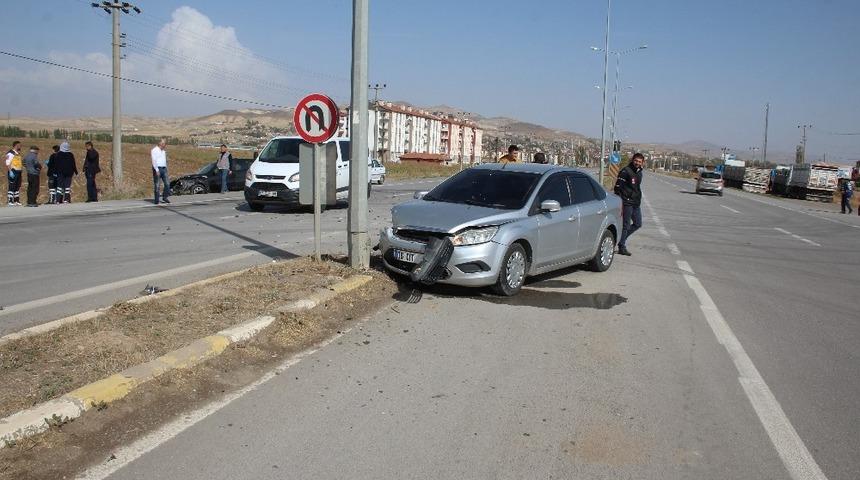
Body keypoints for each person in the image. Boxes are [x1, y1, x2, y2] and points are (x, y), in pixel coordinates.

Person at [614, 152, 645, 256]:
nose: (637, 163)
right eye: (636, 160)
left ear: (642, 162)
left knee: (638, 223)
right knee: (626, 225)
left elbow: (636, 188)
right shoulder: (625, 171)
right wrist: (621, 201)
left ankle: (620, 239)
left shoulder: (639, 172)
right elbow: (617, 188)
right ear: (632, 160)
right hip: (627, 202)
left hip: (636, 202)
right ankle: (622, 246)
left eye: (639, 161)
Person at [151, 138, 170, 204]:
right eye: (164, 143)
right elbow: (154, 161)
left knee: (167, 184)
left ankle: (165, 197)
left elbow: (164, 161)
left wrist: (166, 168)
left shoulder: (164, 151)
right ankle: (156, 200)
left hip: (164, 169)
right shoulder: (154, 150)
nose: (165, 145)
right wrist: (156, 170)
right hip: (157, 169)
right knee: (157, 185)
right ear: (160, 143)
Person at [5, 141, 23, 206]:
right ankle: (10, 200)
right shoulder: (10, 153)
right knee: (12, 186)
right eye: (19, 145)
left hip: (19, 171)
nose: (20, 146)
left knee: (17, 186)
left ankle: (16, 200)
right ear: (16, 145)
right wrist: (10, 171)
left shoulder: (18, 153)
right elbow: (7, 163)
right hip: (13, 171)